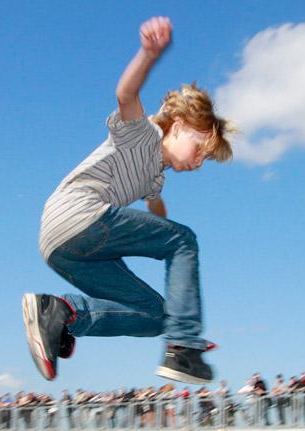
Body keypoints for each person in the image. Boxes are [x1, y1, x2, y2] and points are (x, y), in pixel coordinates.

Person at [22, 16, 235, 385]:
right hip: (79, 214)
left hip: (64, 249)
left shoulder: (154, 178)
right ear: (179, 126)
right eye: (200, 149)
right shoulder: (143, 134)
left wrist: (184, 310)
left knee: (156, 316)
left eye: (206, 160)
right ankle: (183, 347)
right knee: (184, 240)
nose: (199, 162)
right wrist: (149, 54)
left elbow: (156, 210)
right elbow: (126, 94)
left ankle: (62, 313)